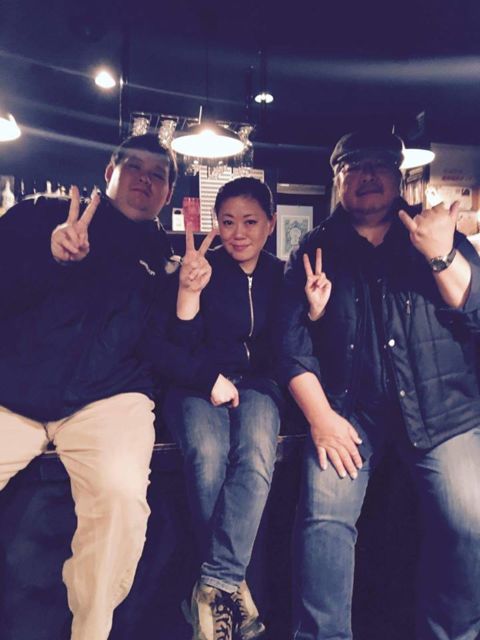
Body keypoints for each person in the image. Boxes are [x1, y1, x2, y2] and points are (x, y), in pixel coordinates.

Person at [0, 133, 218, 640]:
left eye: (158, 174)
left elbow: (170, 345)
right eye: (134, 166)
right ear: (109, 172)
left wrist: (188, 292)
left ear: (168, 193)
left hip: (109, 398)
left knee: (120, 497)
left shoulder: (165, 255)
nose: (145, 179)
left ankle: (91, 631)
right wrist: (51, 256)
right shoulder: (43, 214)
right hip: (13, 392)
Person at [278, 129, 480, 640]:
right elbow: (290, 345)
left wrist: (440, 254)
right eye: (355, 166)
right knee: (322, 522)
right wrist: (322, 419)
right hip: (349, 413)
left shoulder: (434, 233)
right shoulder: (315, 246)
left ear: (398, 176)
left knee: (470, 521)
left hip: (441, 409)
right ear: (337, 179)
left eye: (379, 165)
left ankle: (453, 634)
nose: (368, 175)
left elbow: (476, 311)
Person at [164, 177, 285, 640]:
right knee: (208, 455)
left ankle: (211, 585)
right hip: (195, 384)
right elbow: (176, 347)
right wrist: (188, 293)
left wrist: (315, 311)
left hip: (258, 385)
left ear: (271, 223)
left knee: (256, 451)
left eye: (250, 222)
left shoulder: (283, 275)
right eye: (228, 221)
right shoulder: (200, 267)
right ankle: (232, 589)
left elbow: (291, 344)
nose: (238, 233)